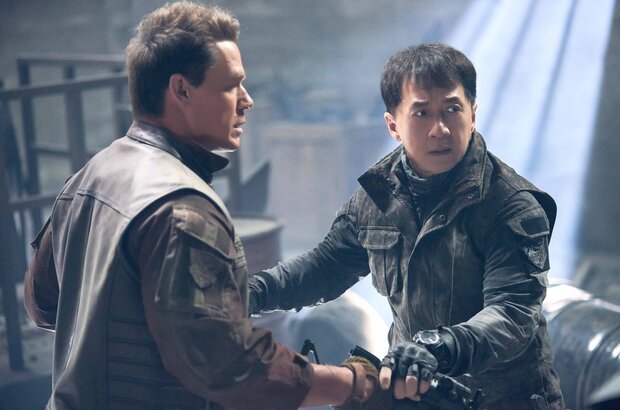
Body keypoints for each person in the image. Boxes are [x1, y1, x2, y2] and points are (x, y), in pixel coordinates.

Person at [23, 2, 390, 409]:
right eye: (231, 85)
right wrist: (353, 383)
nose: (247, 100)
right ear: (181, 90)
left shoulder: (90, 175)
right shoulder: (182, 210)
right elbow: (235, 368)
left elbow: (43, 305)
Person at [250, 43, 565, 409]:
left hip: (505, 400)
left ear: (473, 115)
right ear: (393, 125)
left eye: (452, 110)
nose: (439, 129)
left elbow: (511, 312)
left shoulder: (510, 205)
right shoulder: (380, 195)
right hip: (416, 395)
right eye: (422, 113)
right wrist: (252, 291)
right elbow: (325, 267)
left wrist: (436, 348)